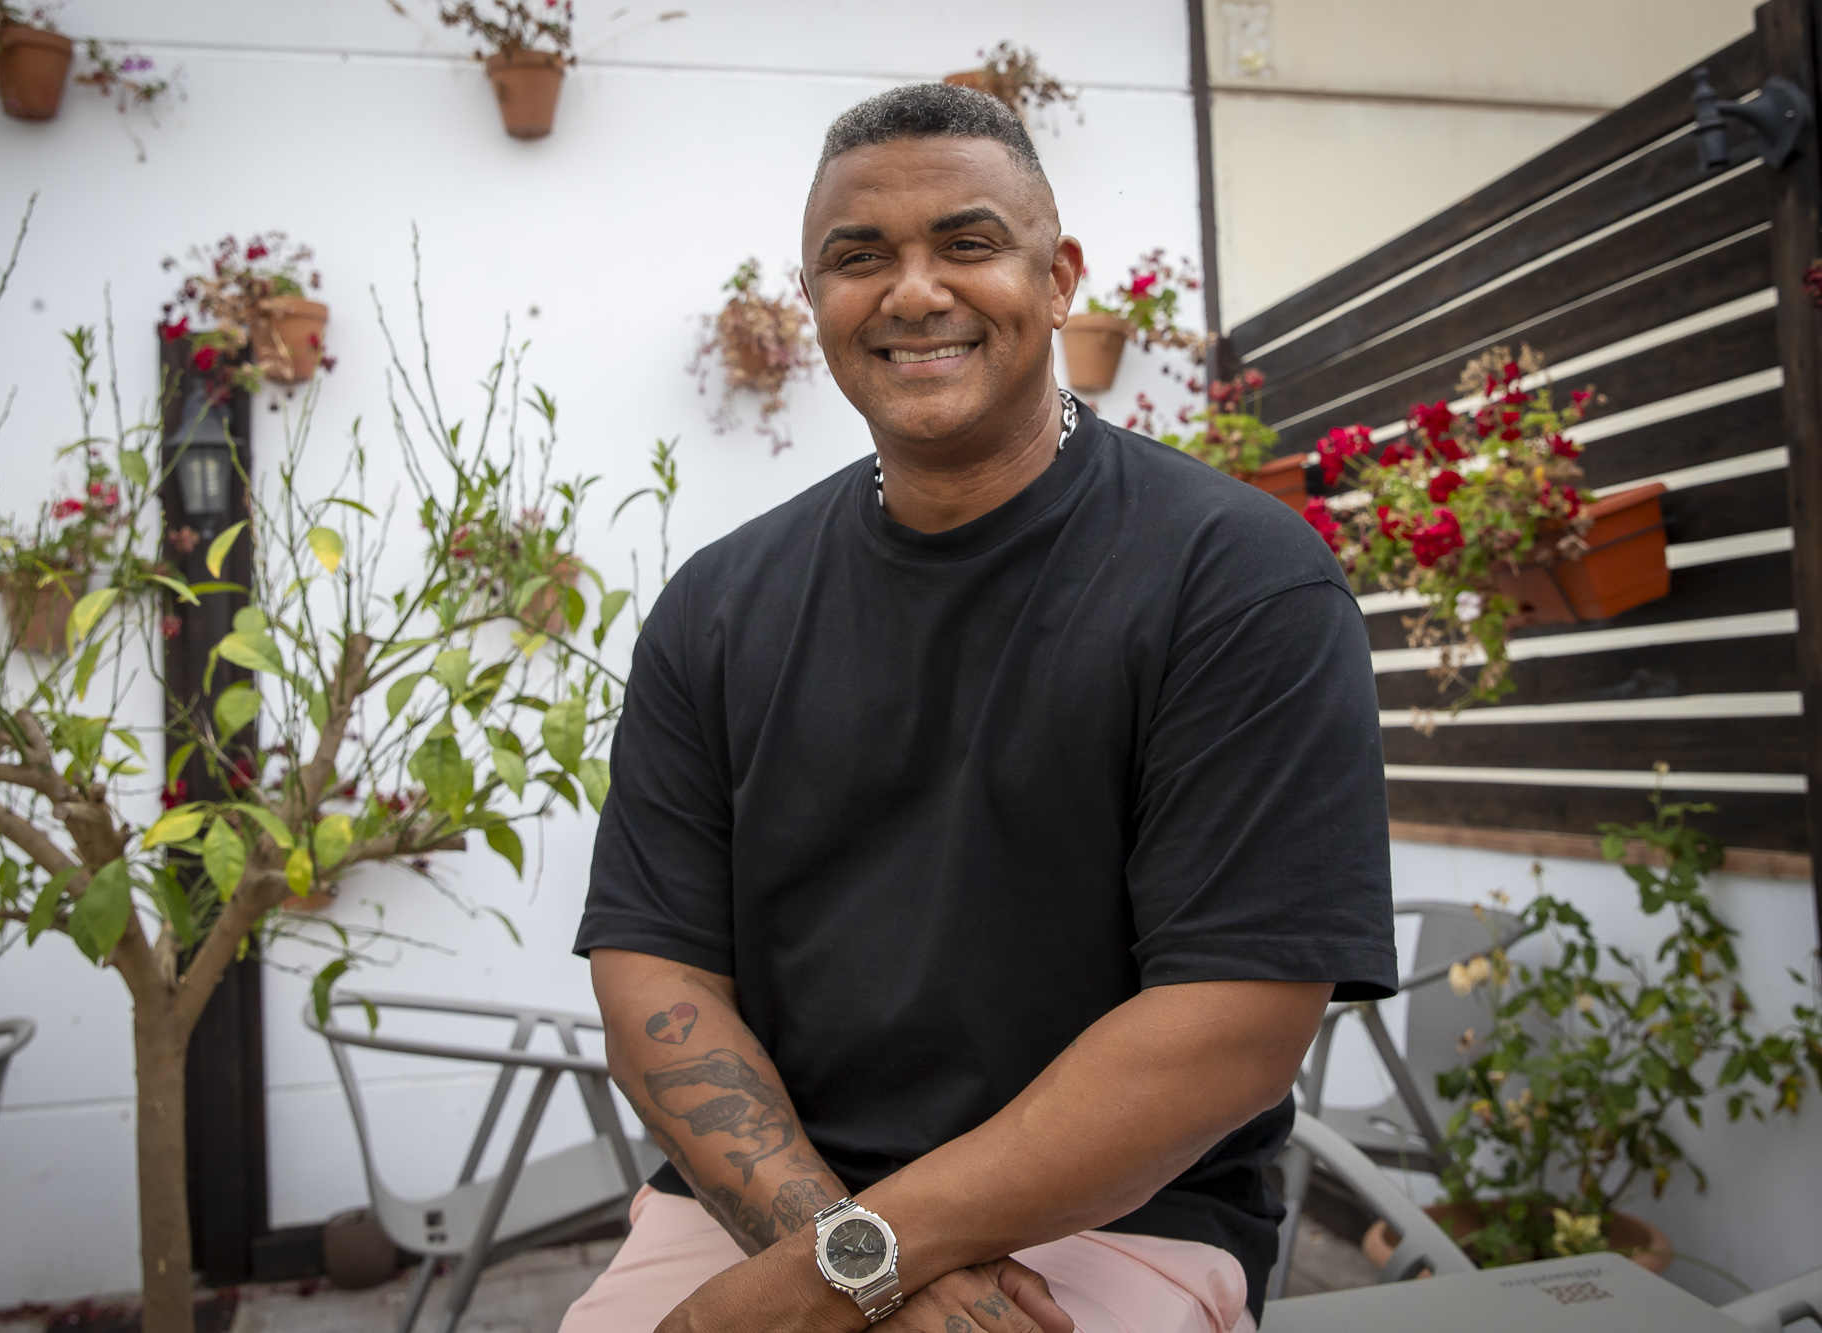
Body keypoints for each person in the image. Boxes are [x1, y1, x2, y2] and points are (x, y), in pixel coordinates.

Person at [563, 83, 1396, 1333]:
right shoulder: (718, 604)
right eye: (858, 259)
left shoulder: (1236, 578)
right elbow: (654, 974)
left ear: (1056, 277)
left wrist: (854, 1266)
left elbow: (1233, 1022)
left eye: (965, 243)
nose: (910, 293)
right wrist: (840, 1256)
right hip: (761, 1200)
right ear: (813, 305)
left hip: (1111, 1218)